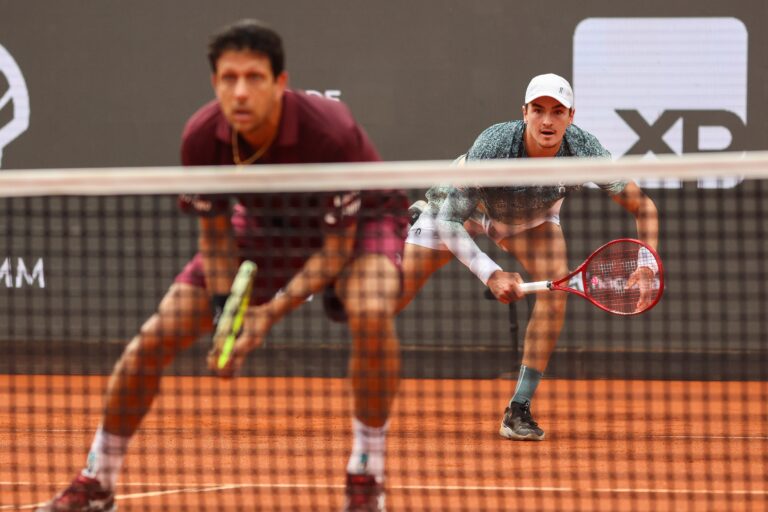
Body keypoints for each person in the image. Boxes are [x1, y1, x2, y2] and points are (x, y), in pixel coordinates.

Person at [38, 19, 407, 512]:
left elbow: (335, 252)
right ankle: (97, 480)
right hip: (262, 225)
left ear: (280, 82)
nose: (240, 92)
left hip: (363, 223)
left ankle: (366, 473)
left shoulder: (329, 131)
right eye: (228, 78)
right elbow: (214, 236)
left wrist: (265, 316)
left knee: (371, 311)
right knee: (153, 337)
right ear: (214, 82)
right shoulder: (202, 137)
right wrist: (224, 318)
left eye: (254, 77)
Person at [397, 73, 659, 441]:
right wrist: (491, 273)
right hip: (461, 212)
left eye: (557, 111)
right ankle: (409, 221)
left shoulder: (585, 152)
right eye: (538, 110)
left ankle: (518, 408)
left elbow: (643, 207)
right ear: (525, 112)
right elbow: (450, 220)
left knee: (556, 294)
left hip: (529, 219)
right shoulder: (494, 145)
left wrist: (647, 265)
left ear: (571, 116)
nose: (547, 121)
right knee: (394, 297)